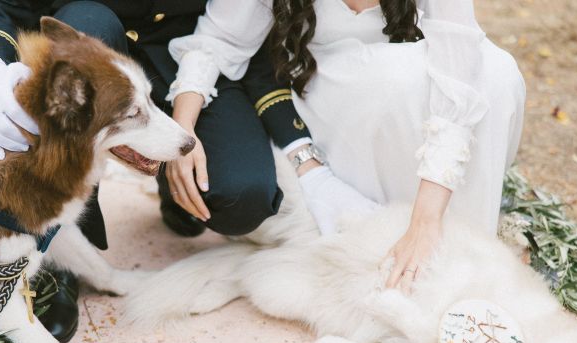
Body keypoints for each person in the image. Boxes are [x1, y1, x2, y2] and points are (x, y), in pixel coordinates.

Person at [0, 0, 313, 342]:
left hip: (191, 53)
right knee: (86, 24)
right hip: (92, 51)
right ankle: (59, 252)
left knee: (242, 197)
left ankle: (170, 184)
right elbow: (3, 5)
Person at [166, 0, 526, 293]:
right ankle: (396, 244)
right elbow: (216, 43)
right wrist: (183, 133)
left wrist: (425, 221)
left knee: (498, 74)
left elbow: (461, 80)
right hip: (326, 96)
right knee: (396, 79)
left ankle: (458, 250)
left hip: (411, 98)